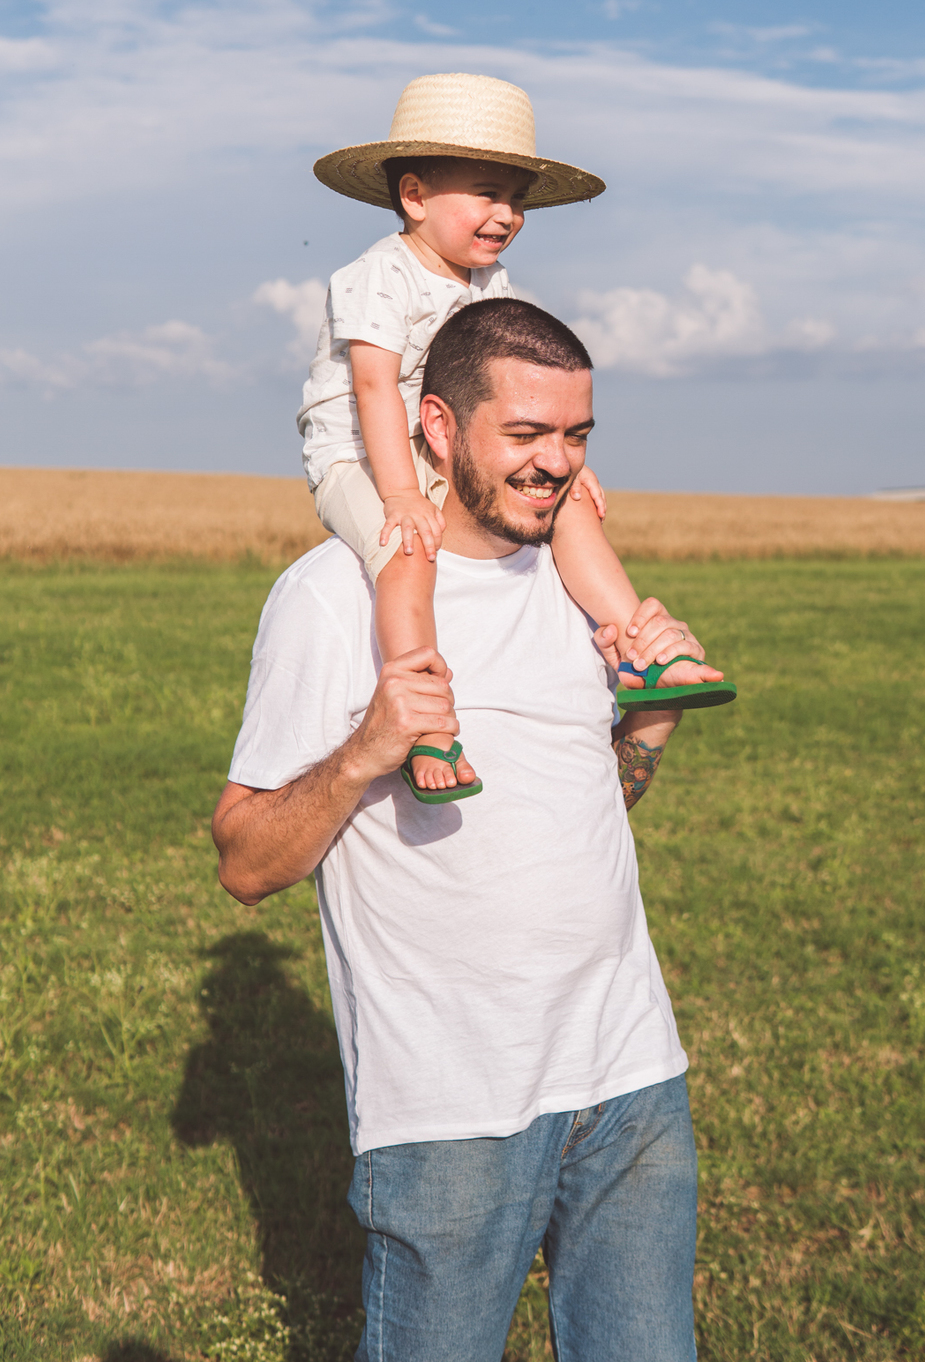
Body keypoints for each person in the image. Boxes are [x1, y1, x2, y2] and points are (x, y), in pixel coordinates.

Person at [213, 299, 714, 1362]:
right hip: (452, 1111)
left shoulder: (579, 591)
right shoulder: (333, 600)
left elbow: (583, 809)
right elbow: (245, 860)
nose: (556, 466)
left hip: (629, 1077)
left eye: (576, 437)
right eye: (525, 436)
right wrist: (364, 750)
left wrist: (649, 732)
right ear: (436, 427)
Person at [298, 70, 732, 802]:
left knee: (572, 513)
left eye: (517, 199)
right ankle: (425, 720)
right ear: (413, 196)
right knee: (405, 553)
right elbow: (373, 388)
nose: (507, 215)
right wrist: (400, 494)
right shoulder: (378, 276)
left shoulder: (489, 285)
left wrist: (552, 460)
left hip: (441, 444)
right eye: (487, 194)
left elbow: (512, 389)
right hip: (359, 454)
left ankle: (637, 651)